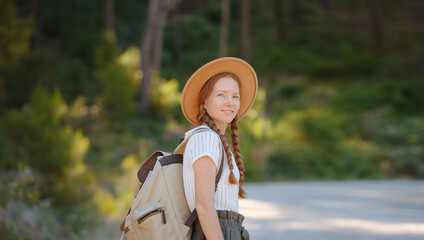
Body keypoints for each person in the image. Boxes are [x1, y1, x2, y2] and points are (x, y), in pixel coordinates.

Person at [180, 57, 258, 240]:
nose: (230, 102)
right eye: (221, 95)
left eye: (235, 96)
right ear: (205, 102)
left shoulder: (216, 140)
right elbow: (204, 203)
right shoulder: (205, 139)